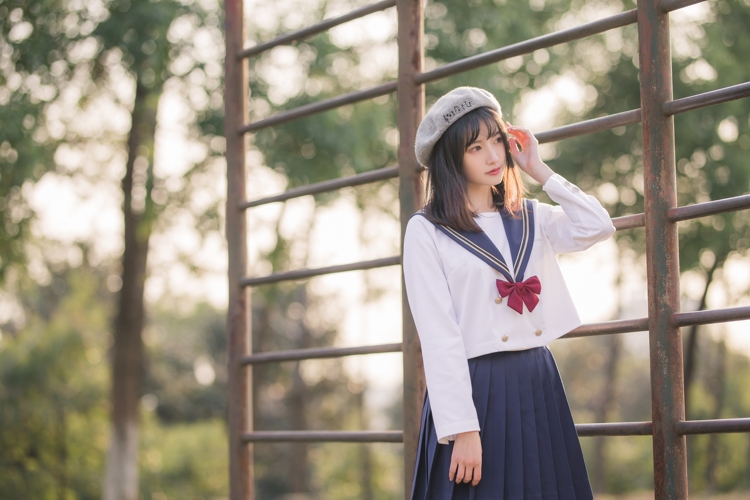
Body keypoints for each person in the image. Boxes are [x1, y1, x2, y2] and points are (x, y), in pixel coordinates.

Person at [403, 86, 615, 500]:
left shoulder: (529, 215)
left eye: (496, 140)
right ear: (452, 158)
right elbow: (438, 335)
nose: (493, 156)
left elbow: (598, 226)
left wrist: (540, 169)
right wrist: (462, 428)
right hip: (476, 387)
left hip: (537, 379)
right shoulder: (426, 231)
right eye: (475, 147)